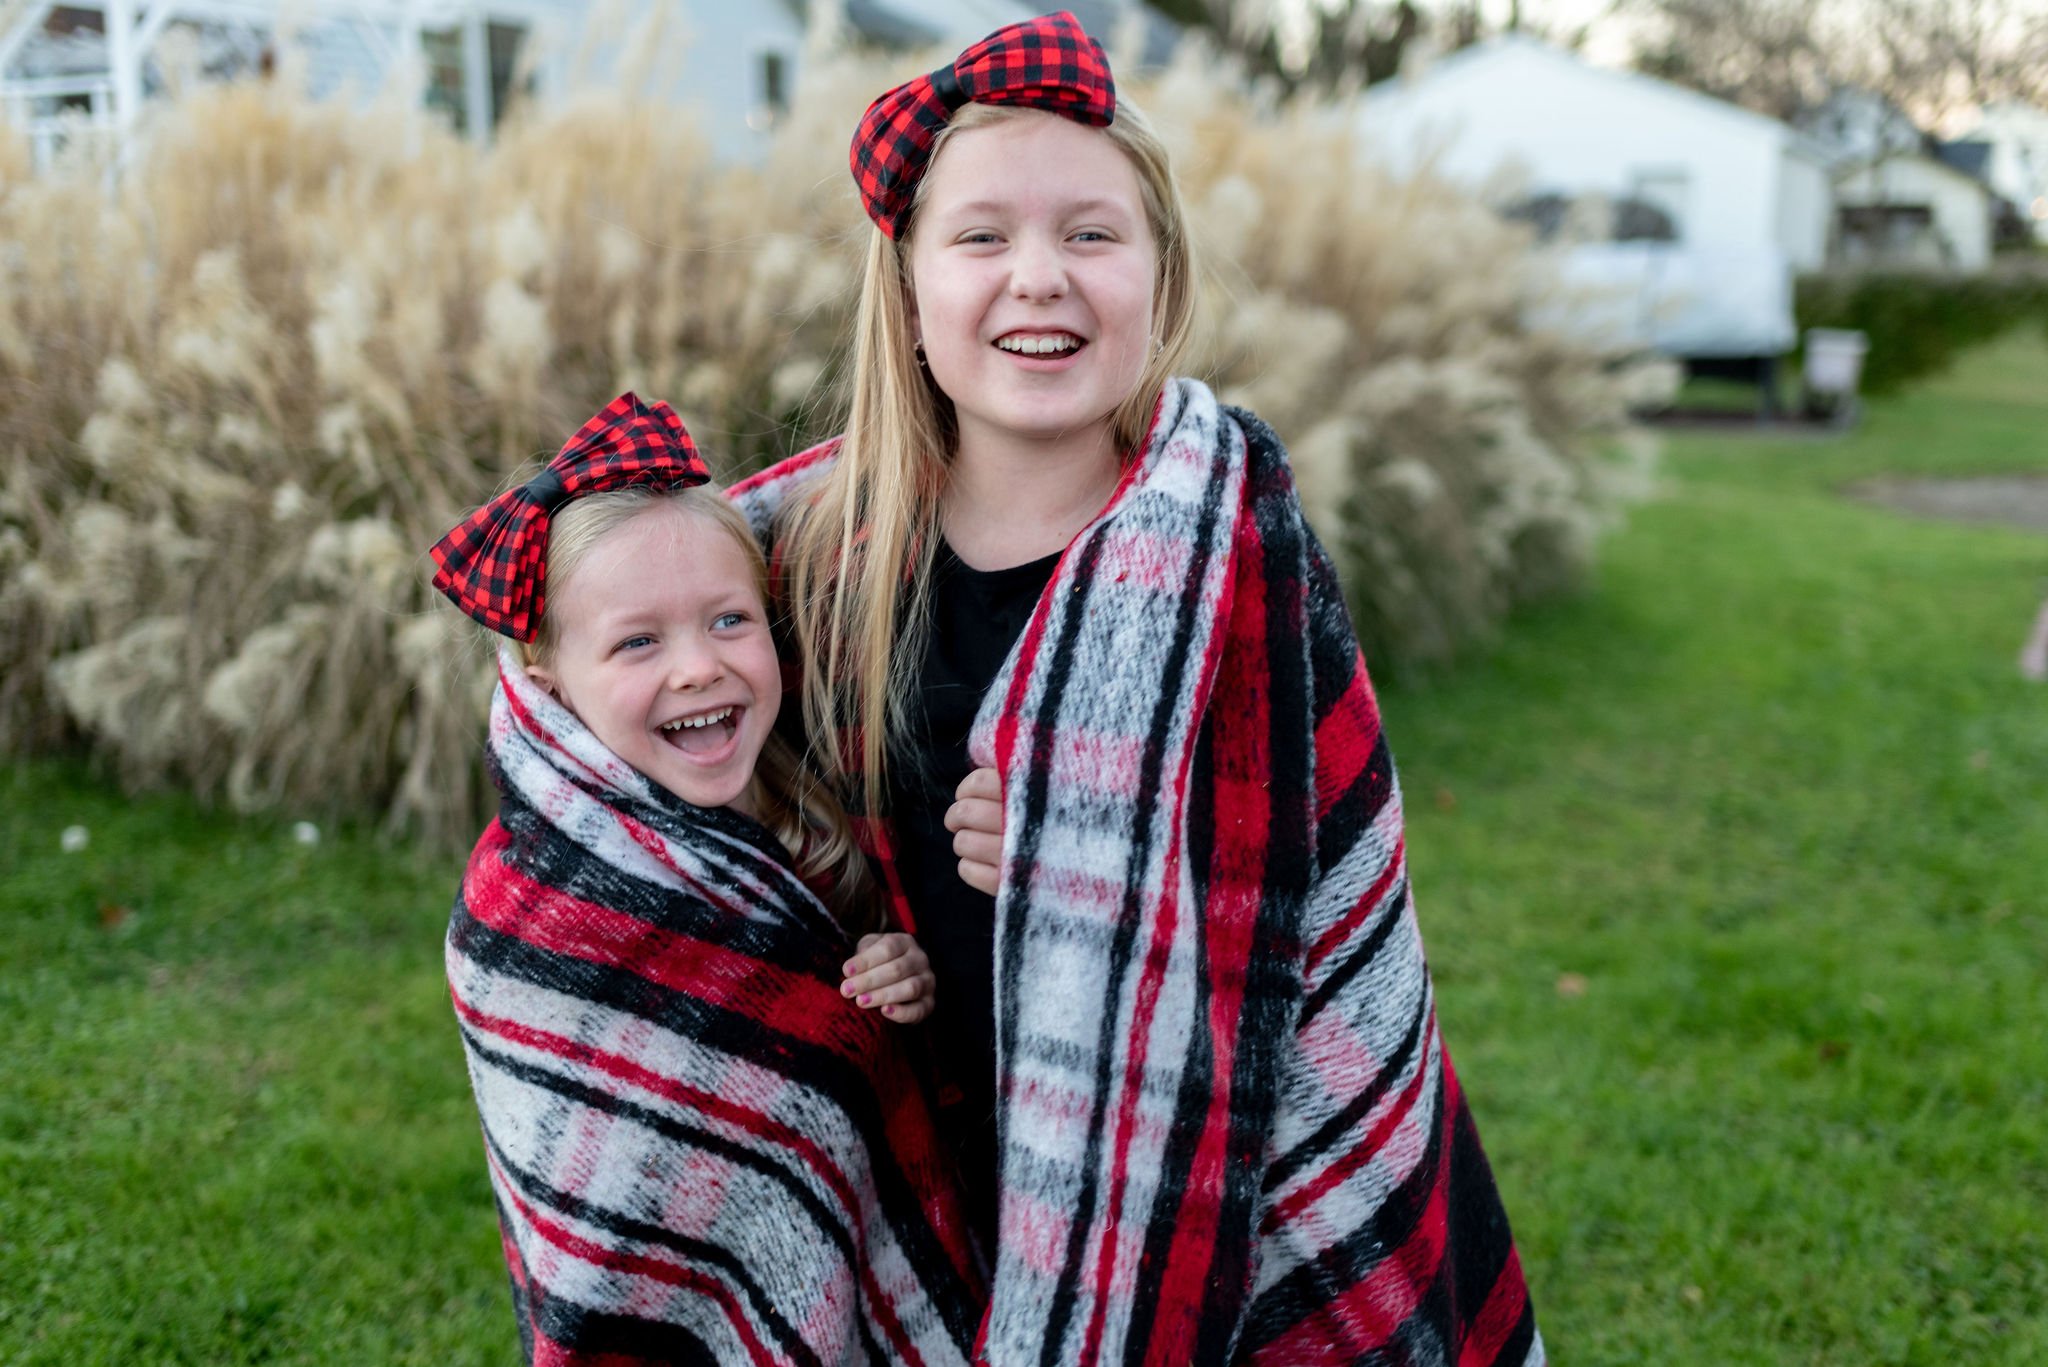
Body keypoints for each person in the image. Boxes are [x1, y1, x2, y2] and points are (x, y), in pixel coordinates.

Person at [732, 12, 1545, 1365]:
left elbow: (1287, 876)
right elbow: (751, 807)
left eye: (1092, 234)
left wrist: (1088, 848)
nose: (1038, 277)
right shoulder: (822, 565)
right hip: (952, 1147)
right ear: (912, 289)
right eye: (981, 237)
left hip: (1211, 1149)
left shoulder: (1233, 547)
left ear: (1159, 279)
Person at [429, 393, 982, 1365]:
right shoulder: (527, 916)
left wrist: (903, 974)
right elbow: (588, 1199)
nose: (697, 667)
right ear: (547, 671)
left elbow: (870, 1036)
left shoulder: (810, 807)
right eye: (638, 641)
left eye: (729, 619)